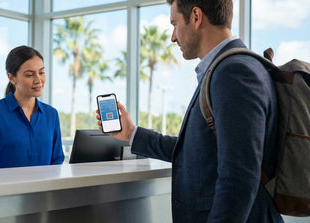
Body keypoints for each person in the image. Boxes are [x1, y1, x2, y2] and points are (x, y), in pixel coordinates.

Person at [97, 0, 283, 222]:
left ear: (196, 17)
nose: (173, 37)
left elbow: (239, 179)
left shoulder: (234, 72)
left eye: (175, 24)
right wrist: (131, 133)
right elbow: (196, 150)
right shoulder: (227, 68)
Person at [0, 46, 64, 170]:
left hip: (45, 189)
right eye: (29, 75)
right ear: (12, 78)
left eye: (41, 72)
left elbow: (57, 160)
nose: (38, 80)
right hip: (5, 189)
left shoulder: (51, 115)